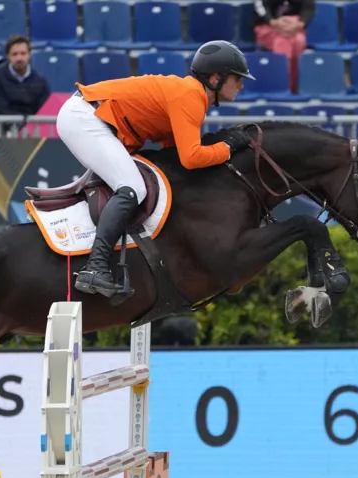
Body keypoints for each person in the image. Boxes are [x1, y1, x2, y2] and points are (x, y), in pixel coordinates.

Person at [55, 39, 255, 299]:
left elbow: (174, 154)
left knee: (138, 183)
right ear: (216, 78)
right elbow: (191, 158)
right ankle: (95, 268)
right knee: (132, 187)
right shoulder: (191, 96)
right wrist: (228, 148)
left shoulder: (192, 96)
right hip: (85, 118)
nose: (241, 85)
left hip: (91, 118)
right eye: (237, 78)